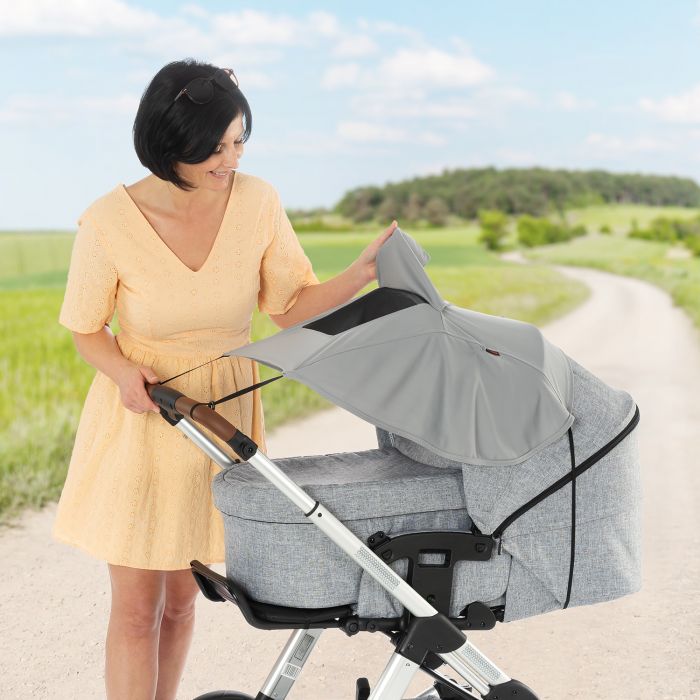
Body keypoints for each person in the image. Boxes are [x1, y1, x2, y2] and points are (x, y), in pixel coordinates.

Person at [52, 58, 397, 700]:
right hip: (145, 414)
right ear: (169, 143)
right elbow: (85, 329)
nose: (230, 159)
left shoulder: (258, 201)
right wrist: (123, 372)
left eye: (239, 141)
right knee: (137, 608)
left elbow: (288, 306)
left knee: (184, 602)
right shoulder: (108, 221)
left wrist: (360, 274)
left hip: (220, 420)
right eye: (213, 149)